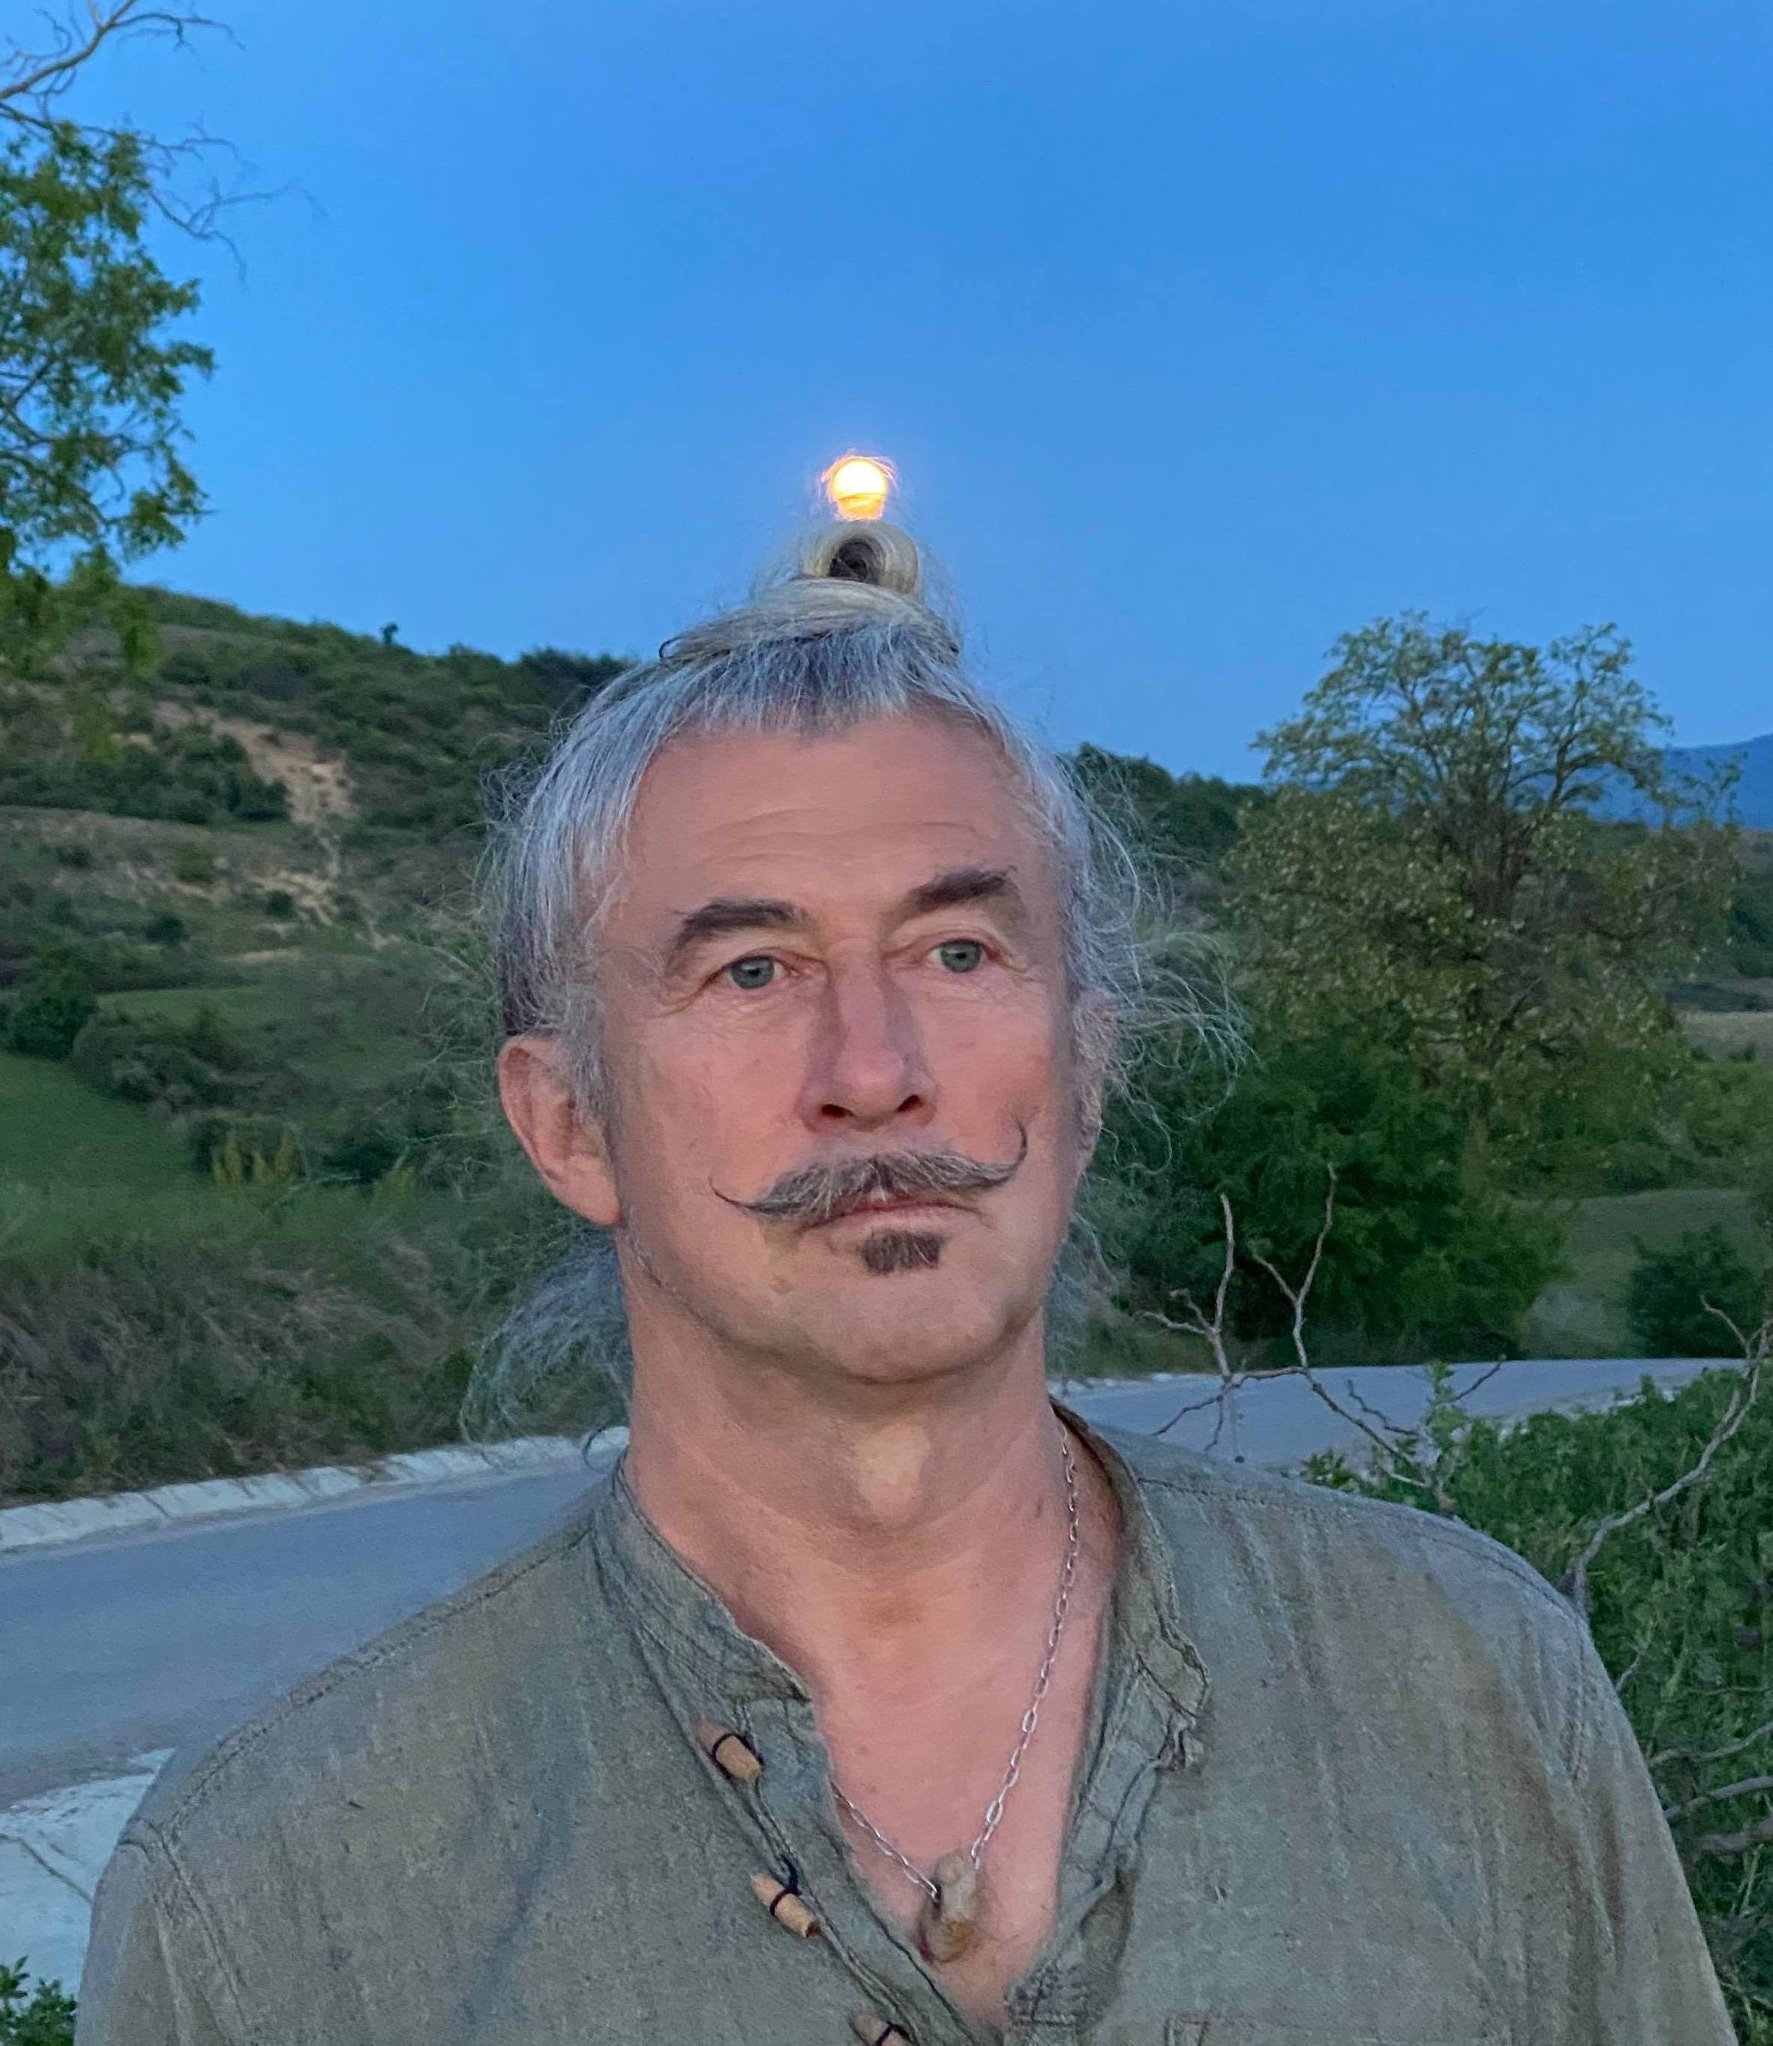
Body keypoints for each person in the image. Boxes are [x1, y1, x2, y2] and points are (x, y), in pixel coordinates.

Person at [79, 521, 1737, 2045]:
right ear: (569, 1122)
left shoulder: (1470, 1687)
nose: (872, 1070)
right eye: (751, 969)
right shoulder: (273, 1909)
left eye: (957, 951)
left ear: (1083, 1068)